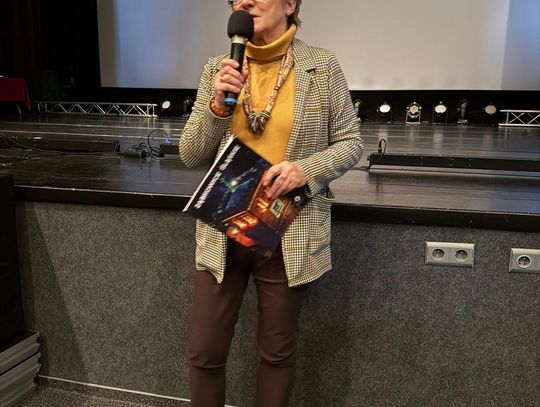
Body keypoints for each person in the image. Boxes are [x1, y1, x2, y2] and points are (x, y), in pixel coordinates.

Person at [179, 0, 364, 405]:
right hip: (223, 227)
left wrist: (306, 170)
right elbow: (191, 154)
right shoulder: (218, 69)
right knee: (204, 351)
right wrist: (216, 106)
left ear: (290, 3)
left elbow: (351, 143)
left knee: (277, 353)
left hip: (287, 228)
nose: (244, 1)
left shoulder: (321, 66)